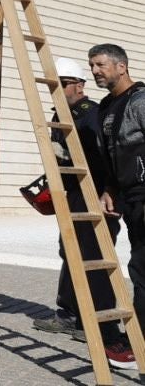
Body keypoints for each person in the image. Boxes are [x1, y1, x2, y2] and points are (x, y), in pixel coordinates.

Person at [33, 55, 131, 368]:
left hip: (95, 197)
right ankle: (73, 314)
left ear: (79, 85)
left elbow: (106, 157)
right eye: (53, 86)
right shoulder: (64, 114)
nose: (57, 91)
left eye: (63, 85)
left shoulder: (90, 114)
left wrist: (108, 192)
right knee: (70, 252)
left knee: (95, 260)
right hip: (72, 195)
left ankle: (106, 329)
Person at [91, 43, 145, 369]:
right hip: (130, 199)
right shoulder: (107, 107)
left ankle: (137, 344)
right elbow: (113, 155)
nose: (95, 71)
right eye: (92, 65)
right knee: (139, 269)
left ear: (121, 66)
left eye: (100, 64)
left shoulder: (140, 101)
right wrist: (109, 189)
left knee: (142, 272)